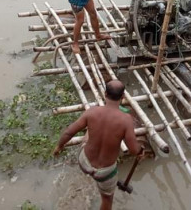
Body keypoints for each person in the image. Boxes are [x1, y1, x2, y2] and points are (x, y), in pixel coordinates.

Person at [53, 80, 144, 210]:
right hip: (105, 172)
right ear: (123, 97)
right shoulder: (126, 120)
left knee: (91, 129)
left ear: (105, 93)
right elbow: (134, 149)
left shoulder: (92, 112)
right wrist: (141, 151)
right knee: (107, 199)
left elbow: (69, 132)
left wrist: (59, 147)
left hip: (84, 163)